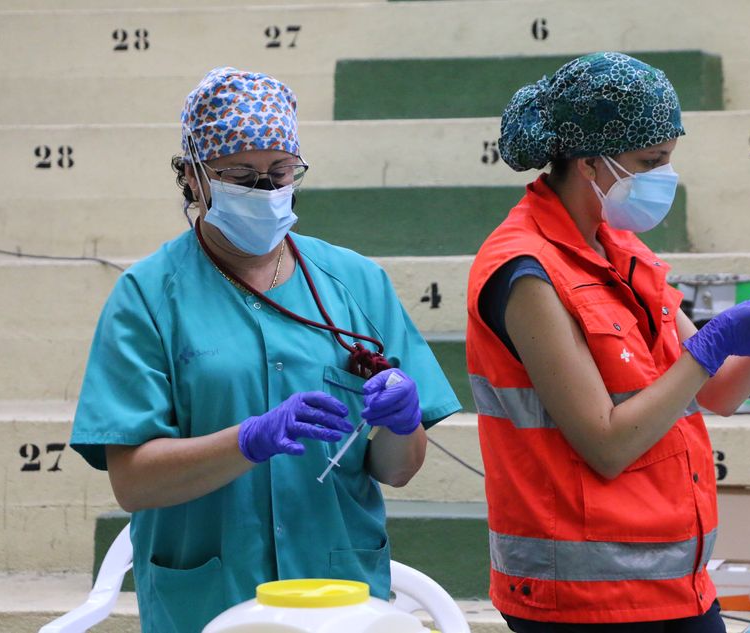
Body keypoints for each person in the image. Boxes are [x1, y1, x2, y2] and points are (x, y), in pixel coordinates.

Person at [466, 53, 750, 632]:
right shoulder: (525, 272)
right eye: (650, 162)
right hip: (581, 598)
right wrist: (713, 344)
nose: (663, 177)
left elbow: (717, 392)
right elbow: (607, 443)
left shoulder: (620, 251)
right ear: (590, 164)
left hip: (675, 585)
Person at [70, 67, 460, 632]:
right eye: (242, 175)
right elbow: (134, 482)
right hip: (209, 598)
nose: (267, 191)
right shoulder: (149, 296)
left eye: (281, 171)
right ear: (194, 177)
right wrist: (246, 441)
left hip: (338, 593)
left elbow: (396, 471)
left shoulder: (355, 282)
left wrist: (402, 424)